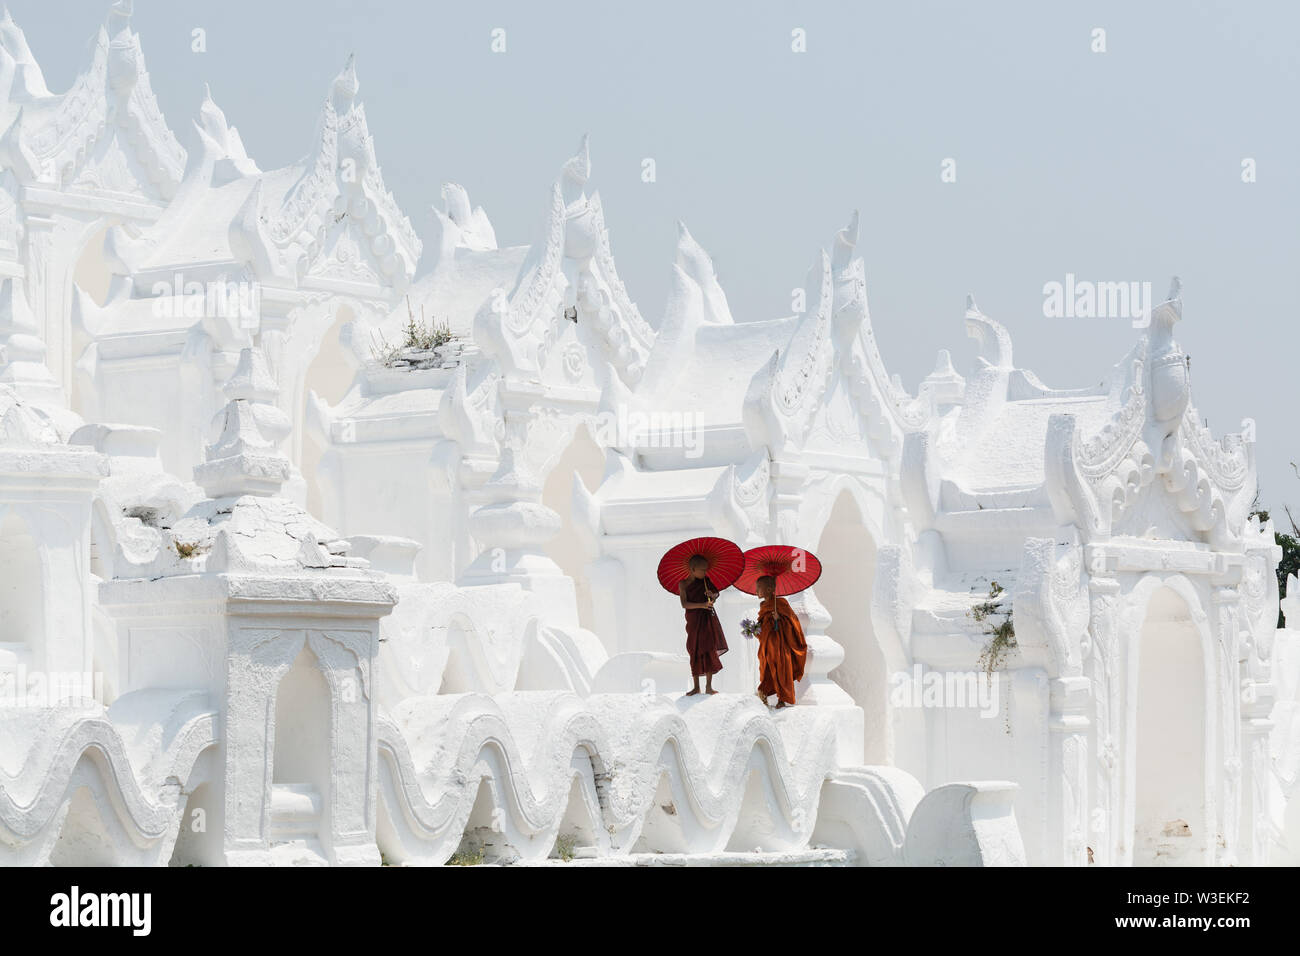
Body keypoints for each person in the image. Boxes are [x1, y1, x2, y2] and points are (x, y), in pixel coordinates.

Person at [755, 575, 807, 708]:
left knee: (782, 671)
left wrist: (780, 620)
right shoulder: (763, 606)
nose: (756, 591)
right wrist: (754, 630)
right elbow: (764, 627)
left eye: (759, 588)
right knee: (766, 670)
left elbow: (793, 623)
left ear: (770, 589)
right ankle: (763, 696)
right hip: (766, 646)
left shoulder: (781, 603)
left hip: (779, 645)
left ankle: (782, 699)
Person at [678, 555, 728, 695]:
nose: (705, 573)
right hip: (694, 620)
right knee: (694, 650)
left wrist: (712, 595)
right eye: (702, 570)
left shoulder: (706, 581)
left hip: (707, 620)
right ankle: (696, 686)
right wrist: (702, 605)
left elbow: (716, 594)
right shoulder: (683, 584)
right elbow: (684, 604)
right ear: (693, 569)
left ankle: (709, 686)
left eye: (706, 570)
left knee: (709, 648)